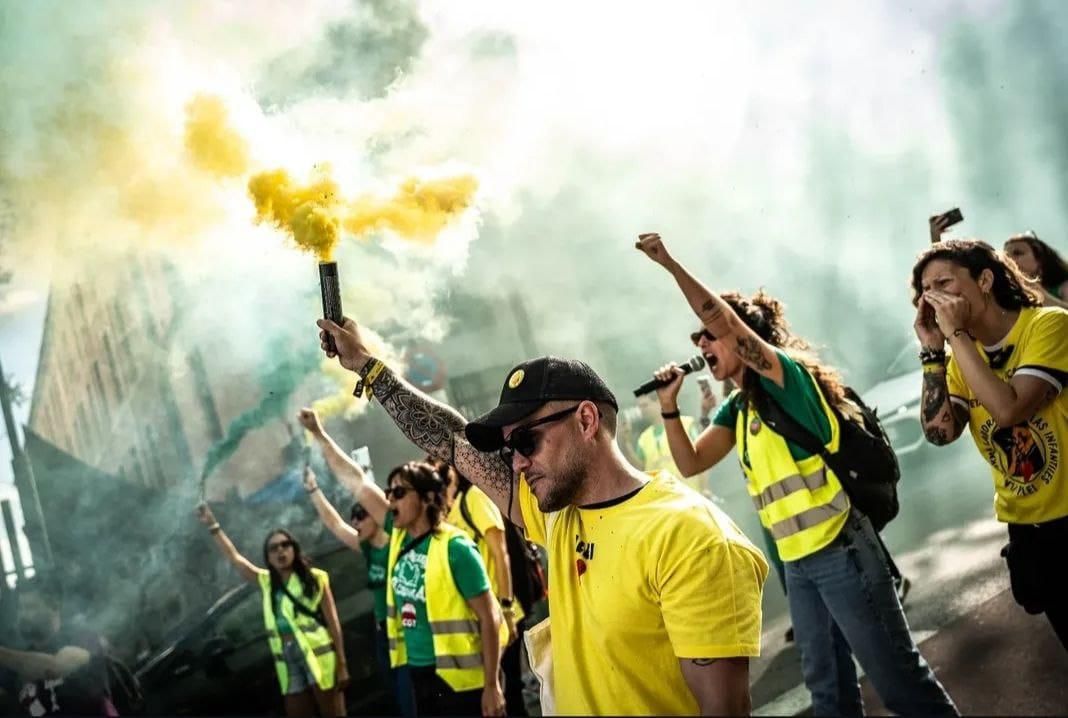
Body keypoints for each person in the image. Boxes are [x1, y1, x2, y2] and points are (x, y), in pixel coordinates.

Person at [316, 318, 770, 716]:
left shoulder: (693, 540)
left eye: (527, 442)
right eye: (510, 449)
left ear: (586, 421)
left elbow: (723, 709)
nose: (515, 462)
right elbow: (453, 441)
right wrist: (368, 369)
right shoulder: (557, 514)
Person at [636, 231, 957, 717]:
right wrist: (668, 408)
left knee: (900, 685)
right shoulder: (737, 409)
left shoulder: (786, 380)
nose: (701, 342)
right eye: (698, 338)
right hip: (799, 566)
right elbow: (691, 463)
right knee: (829, 695)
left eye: (708, 335)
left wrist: (669, 263)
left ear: (741, 336)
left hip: (841, 550)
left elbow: (719, 317)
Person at [912, 233, 1068, 650]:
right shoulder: (962, 355)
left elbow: (1009, 410)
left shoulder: (1047, 325)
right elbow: (940, 432)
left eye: (944, 284)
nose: (933, 297)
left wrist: (956, 337)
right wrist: (932, 353)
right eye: (926, 290)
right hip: (1028, 527)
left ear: (983, 281)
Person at [297, 412, 505, 718]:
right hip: (415, 671)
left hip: (460, 681)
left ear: (424, 499)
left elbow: (490, 619)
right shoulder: (397, 538)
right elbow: (356, 481)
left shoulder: (455, 548)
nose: (389, 499)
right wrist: (318, 433)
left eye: (398, 493)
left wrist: (492, 685)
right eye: (388, 492)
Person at [296, 408, 416, 718]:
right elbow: (335, 525)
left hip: (410, 633)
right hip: (384, 635)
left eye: (363, 513)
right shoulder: (365, 547)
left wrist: (320, 435)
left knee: (413, 701)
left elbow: (358, 483)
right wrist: (313, 490)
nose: (357, 518)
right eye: (355, 516)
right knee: (401, 703)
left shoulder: (396, 538)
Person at [195, 506, 347, 717]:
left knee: (332, 712)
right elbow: (235, 558)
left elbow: (333, 622)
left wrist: (342, 664)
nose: (280, 551)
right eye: (273, 548)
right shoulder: (266, 582)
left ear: (294, 548)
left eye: (285, 545)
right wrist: (213, 525)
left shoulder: (316, 578)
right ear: (268, 556)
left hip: (317, 655)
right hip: (287, 659)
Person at [435, 459, 527, 716]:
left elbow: (501, 554)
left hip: (500, 613)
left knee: (509, 693)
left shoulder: (474, 497)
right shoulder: (444, 512)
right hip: (476, 623)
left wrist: (507, 610)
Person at [0, 577, 112, 716]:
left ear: (55, 606)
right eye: (20, 608)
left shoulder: (83, 638)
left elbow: (55, 667)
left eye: (30, 607)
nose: (23, 615)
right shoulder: (20, 654)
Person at [1003, 230, 1068, 308]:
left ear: (1039, 259)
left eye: (1017, 253)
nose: (1009, 260)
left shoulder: (1063, 286)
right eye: (1006, 256)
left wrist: (1040, 295)